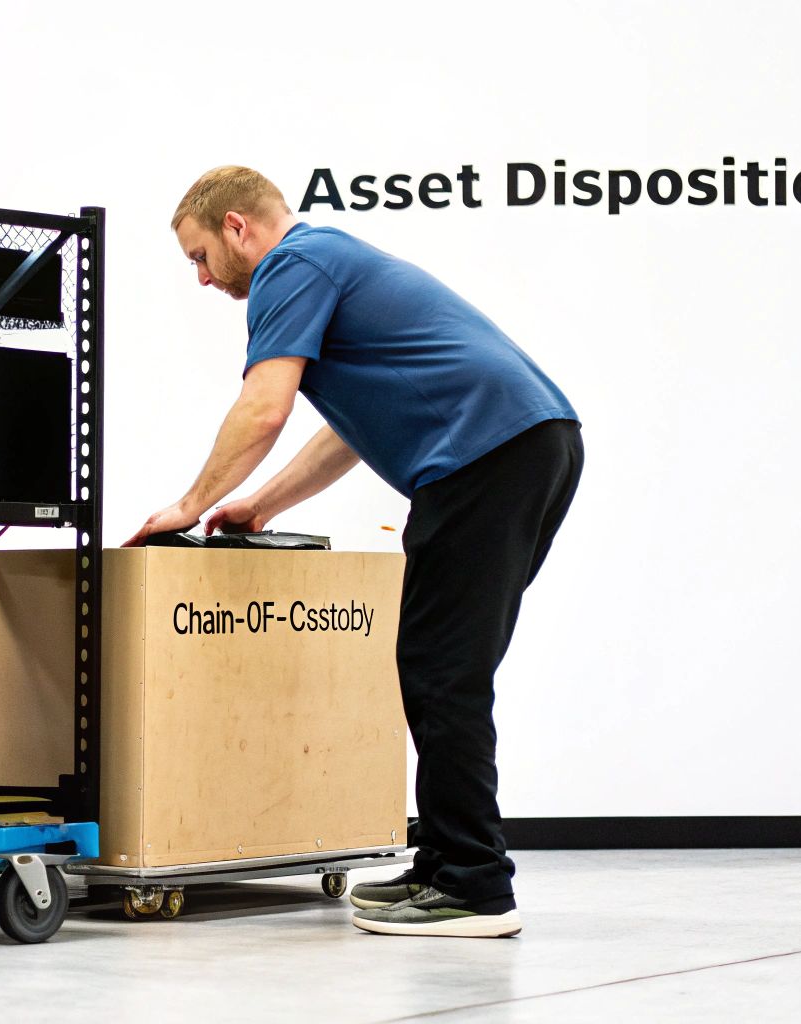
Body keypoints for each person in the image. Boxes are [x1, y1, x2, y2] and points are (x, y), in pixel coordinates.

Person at [126, 166, 583, 938]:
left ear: (238, 226)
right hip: (530, 444)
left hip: (488, 455)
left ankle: (475, 884)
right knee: (439, 666)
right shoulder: (333, 264)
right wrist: (262, 504)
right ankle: (442, 865)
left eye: (200, 257)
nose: (202, 280)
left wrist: (189, 504)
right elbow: (349, 430)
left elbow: (263, 408)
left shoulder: (290, 266)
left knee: (445, 673)